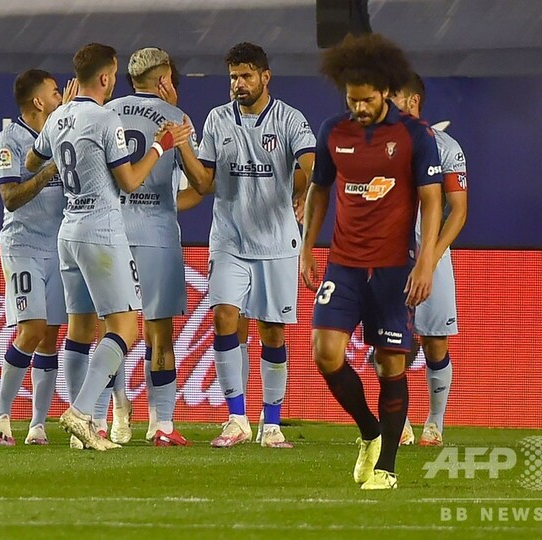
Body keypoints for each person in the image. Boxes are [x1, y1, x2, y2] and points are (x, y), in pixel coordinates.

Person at [25, 43, 192, 451]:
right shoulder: (105, 119)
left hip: (68, 232)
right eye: (113, 75)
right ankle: (82, 412)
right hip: (101, 234)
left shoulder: (60, 115)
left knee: (80, 330)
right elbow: (130, 182)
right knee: (126, 329)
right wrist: (160, 146)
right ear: (104, 77)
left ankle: (88, 426)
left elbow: (32, 162)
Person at [300, 33, 443, 490]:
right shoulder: (333, 131)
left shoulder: (414, 135)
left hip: (393, 268)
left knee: (390, 365)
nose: (359, 108)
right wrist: (307, 246)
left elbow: (432, 201)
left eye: (366, 100)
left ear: (385, 91)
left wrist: (426, 262)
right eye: (352, 100)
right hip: (343, 265)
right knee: (324, 353)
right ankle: (370, 432)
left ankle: (387, 468)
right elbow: (319, 190)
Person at [176, 42, 316, 448]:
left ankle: (271, 423)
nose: (239, 83)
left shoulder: (289, 119)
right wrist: (183, 148)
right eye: (234, 77)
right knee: (225, 318)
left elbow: (312, 164)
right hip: (229, 240)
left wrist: (304, 190)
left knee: (273, 332)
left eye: (246, 76)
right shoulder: (218, 119)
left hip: (277, 242)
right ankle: (236, 418)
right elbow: (204, 183)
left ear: (265, 77)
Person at [103, 47, 200, 446]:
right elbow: (200, 184)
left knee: (114, 331)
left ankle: (117, 413)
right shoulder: (176, 118)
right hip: (157, 236)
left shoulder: (107, 112)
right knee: (160, 334)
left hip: (112, 234)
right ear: (164, 80)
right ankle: (161, 424)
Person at [0, 70, 77, 447]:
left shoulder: (62, 132)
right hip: (23, 246)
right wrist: (49, 168)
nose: (60, 97)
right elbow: (10, 198)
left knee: (50, 336)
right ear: (38, 101)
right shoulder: (9, 140)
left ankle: (38, 424)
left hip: (59, 246)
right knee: (32, 329)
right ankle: (1, 413)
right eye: (55, 93)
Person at [389, 72, 467, 447]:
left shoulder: (447, 147)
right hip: (389, 255)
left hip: (431, 256)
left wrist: (431, 258)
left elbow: (459, 210)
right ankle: (399, 421)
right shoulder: (378, 146)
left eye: (392, 97)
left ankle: (434, 423)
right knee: (392, 342)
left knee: (435, 340)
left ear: (412, 101)